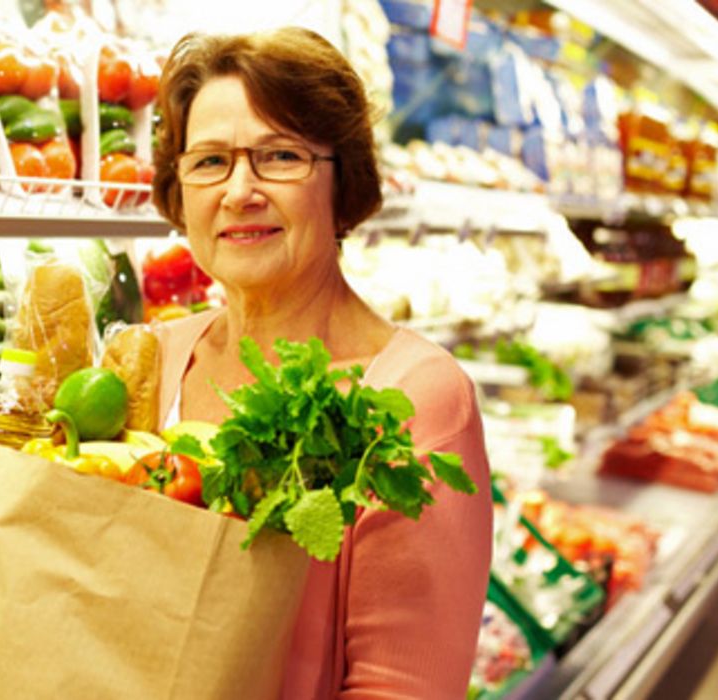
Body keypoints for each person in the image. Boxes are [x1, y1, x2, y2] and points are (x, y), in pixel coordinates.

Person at [149, 27, 493, 699]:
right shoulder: (156, 357)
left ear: (343, 181)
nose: (239, 191)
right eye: (209, 161)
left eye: (279, 157)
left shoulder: (415, 401)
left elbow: (401, 687)